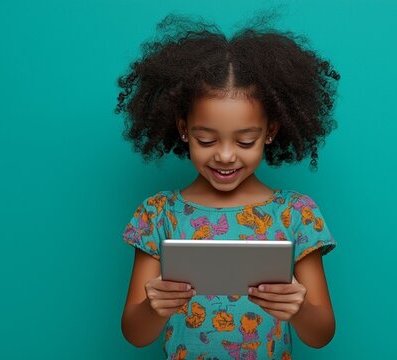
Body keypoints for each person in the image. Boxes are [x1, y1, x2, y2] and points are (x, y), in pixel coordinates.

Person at [116, 14, 340, 359]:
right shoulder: (158, 214)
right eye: (206, 140)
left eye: (245, 141)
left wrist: (299, 309)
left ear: (270, 131)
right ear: (184, 129)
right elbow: (135, 333)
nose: (224, 156)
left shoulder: (297, 214)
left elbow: (321, 334)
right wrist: (154, 307)